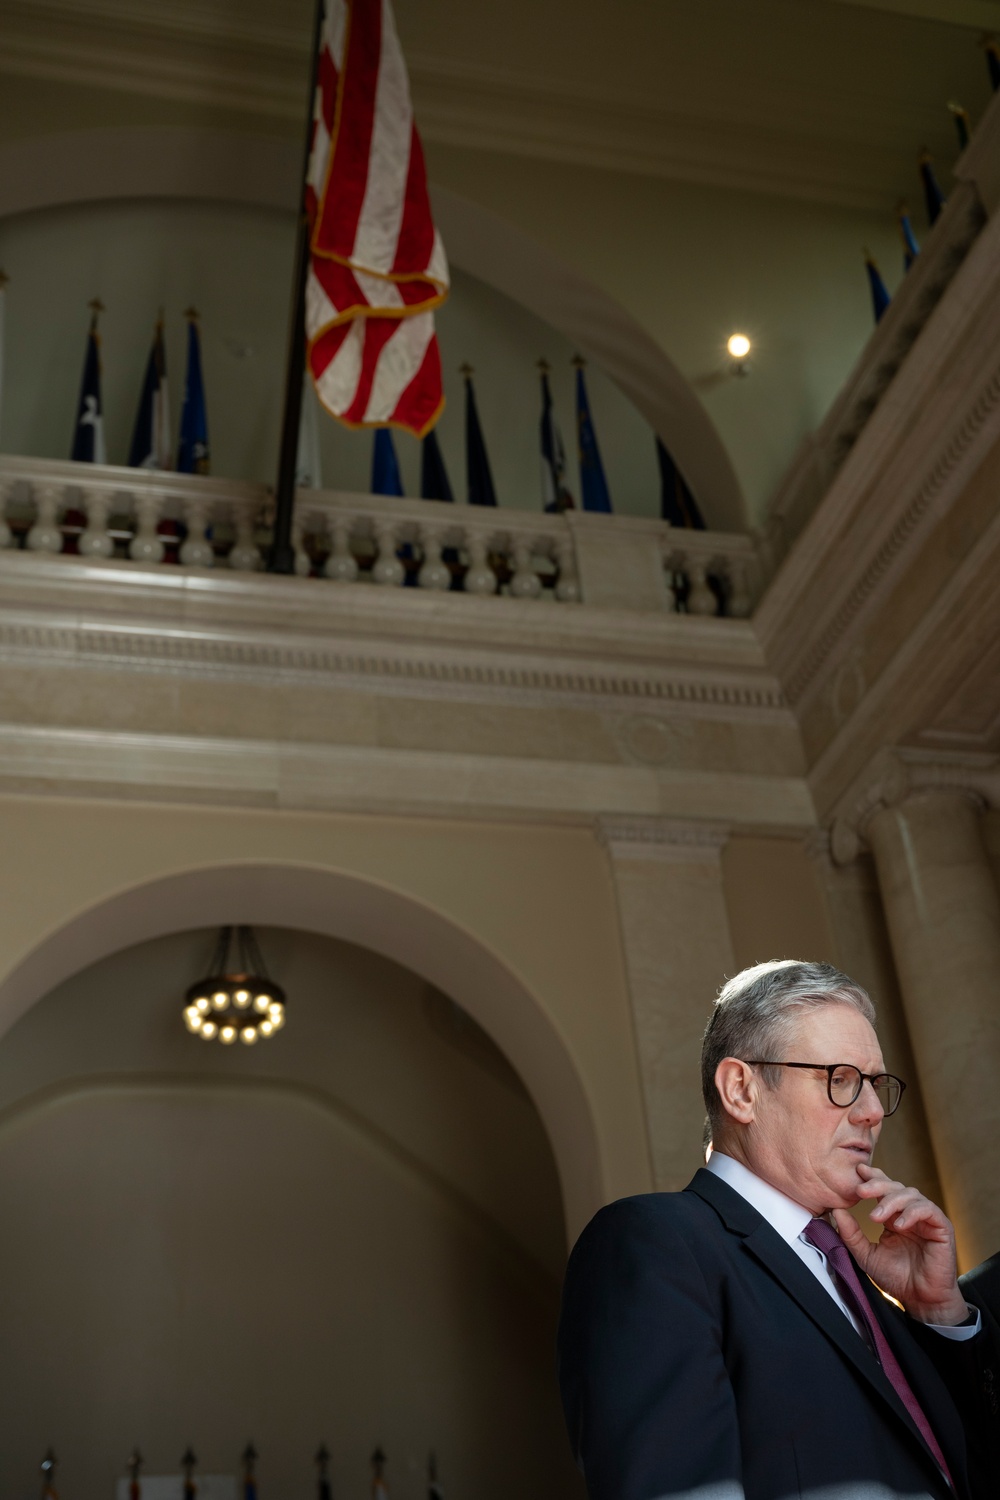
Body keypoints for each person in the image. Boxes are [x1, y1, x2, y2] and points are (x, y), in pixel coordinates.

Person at [558, 960, 994, 1500]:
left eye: (876, 1085)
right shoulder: (656, 1242)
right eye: (841, 1080)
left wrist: (939, 1317)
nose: (874, 1111)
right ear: (741, 1090)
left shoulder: (871, 1286)